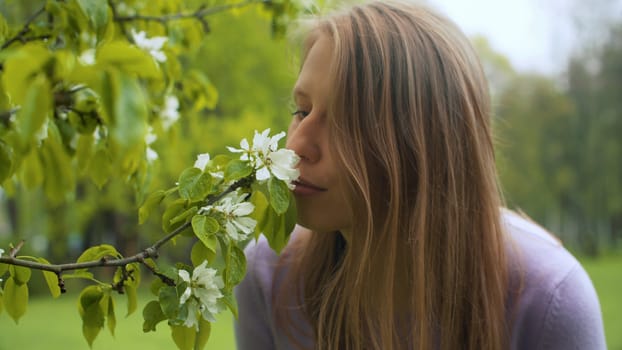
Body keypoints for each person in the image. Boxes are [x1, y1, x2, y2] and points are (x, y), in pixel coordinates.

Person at [234, 1, 607, 349]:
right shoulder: (269, 276)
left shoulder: (547, 301)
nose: (296, 145)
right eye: (301, 110)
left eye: (346, 122)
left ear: (426, 145)